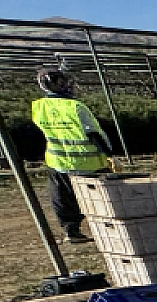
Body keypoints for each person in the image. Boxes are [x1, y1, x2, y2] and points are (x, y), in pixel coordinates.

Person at [30, 67, 111, 243]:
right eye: (64, 82)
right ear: (58, 84)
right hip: (87, 162)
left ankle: (71, 231)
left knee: (62, 198)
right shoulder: (76, 106)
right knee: (98, 197)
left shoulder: (38, 106)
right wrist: (109, 154)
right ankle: (108, 231)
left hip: (57, 160)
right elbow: (93, 133)